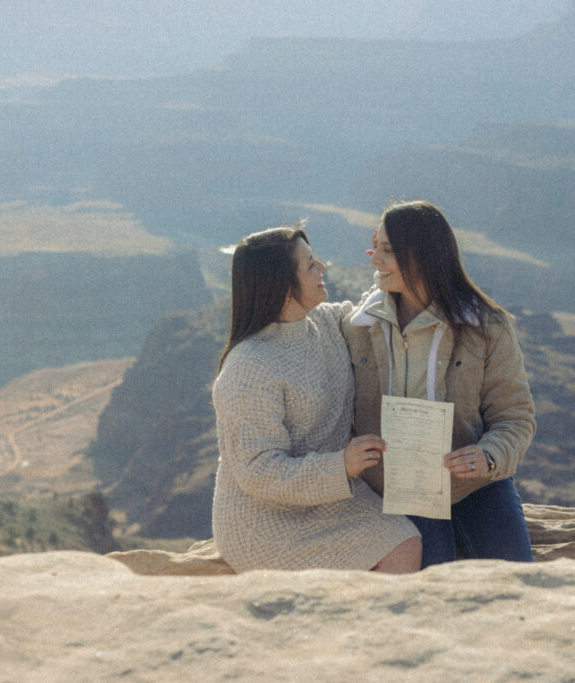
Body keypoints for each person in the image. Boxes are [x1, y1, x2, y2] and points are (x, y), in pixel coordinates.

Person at [211, 224, 421, 573]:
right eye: (309, 265)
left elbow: (370, 308)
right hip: (265, 522)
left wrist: (394, 262)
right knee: (402, 547)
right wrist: (340, 466)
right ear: (280, 283)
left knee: (405, 541)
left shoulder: (325, 321)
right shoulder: (248, 368)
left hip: (333, 499)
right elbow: (257, 471)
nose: (322, 267)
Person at [342, 200, 536, 568]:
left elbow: (516, 416)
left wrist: (489, 456)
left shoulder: (487, 328)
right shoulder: (358, 328)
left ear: (422, 257)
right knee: (429, 586)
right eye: (375, 248)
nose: (374, 259)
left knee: (516, 581)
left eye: (387, 251)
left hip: (476, 486)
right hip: (401, 490)